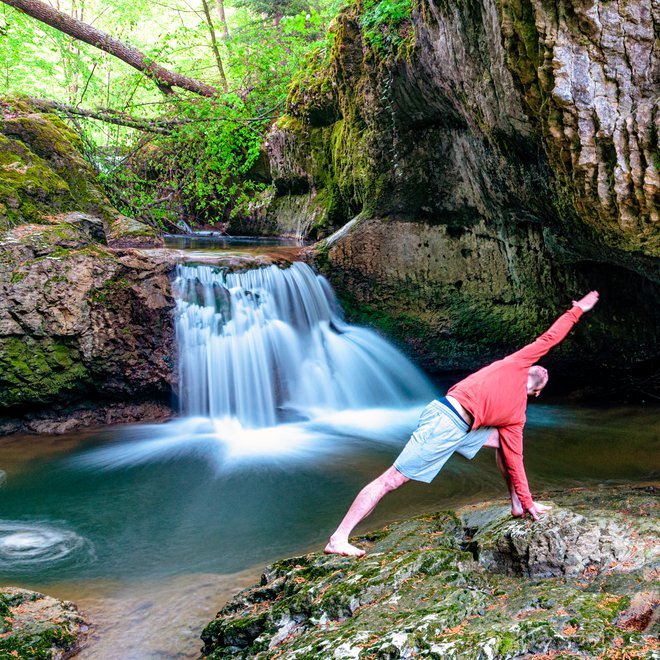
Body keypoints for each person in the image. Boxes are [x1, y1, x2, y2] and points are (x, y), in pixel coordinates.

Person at [325, 291, 600, 557]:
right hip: (445, 419)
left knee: (503, 444)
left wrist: (527, 502)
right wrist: (577, 310)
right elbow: (550, 338)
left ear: (536, 393)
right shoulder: (517, 363)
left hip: (464, 429)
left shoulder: (516, 416)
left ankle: (516, 504)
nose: (545, 369)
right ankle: (339, 538)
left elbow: (515, 460)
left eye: (546, 375)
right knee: (392, 480)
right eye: (542, 368)